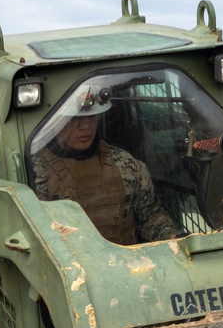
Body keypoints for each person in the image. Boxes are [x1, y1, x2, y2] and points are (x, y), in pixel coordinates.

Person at [32, 88, 182, 245]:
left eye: (91, 117)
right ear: (56, 123)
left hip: (128, 265)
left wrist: (174, 238)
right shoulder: (36, 172)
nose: (85, 126)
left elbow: (150, 217)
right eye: (74, 119)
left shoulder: (126, 164)